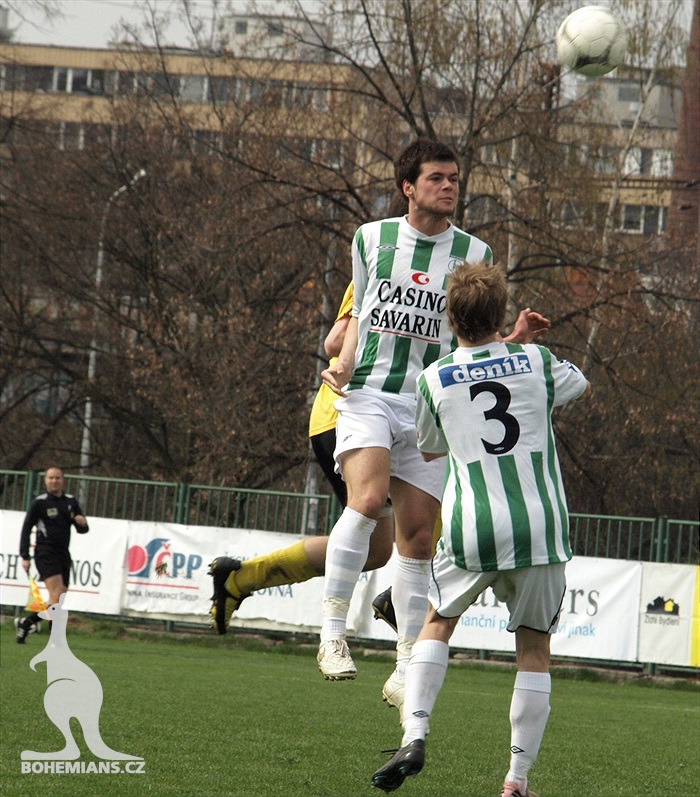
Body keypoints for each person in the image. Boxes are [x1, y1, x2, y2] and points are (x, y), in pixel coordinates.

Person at [317, 138, 551, 716]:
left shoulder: (474, 251)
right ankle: (331, 633)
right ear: (408, 187)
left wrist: (511, 340)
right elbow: (362, 313)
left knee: (418, 538)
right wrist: (343, 362)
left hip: (429, 400)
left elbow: (469, 334)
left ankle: (402, 665)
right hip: (370, 391)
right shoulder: (371, 238)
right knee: (368, 499)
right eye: (437, 178)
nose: (449, 186)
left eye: (454, 178)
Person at [370, 261, 590, 797]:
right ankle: (516, 780)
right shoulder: (534, 361)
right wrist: (515, 345)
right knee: (534, 650)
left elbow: (428, 447)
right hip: (539, 527)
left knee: (436, 621)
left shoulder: (433, 379)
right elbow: (578, 384)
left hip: (473, 528)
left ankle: (415, 733)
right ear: (501, 312)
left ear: (450, 318)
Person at [209, 282, 397, 635]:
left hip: (376, 421)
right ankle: (405, 603)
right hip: (351, 415)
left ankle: (240, 578)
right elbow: (335, 342)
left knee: (376, 551)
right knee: (444, 497)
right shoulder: (383, 260)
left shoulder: (442, 268)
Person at [15, 466, 90, 644]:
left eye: (57, 478)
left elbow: (82, 529)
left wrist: (83, 523)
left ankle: (26, 623)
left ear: (63, 480)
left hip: (63, 554)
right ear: (45, 481)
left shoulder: (70, 502)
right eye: (50, 478)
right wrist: (25, 556)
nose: (54, 481)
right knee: (56, 594)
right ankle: (54, 637)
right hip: (45, 553)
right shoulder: (40, 503)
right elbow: (26, 529)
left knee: (59, 598)